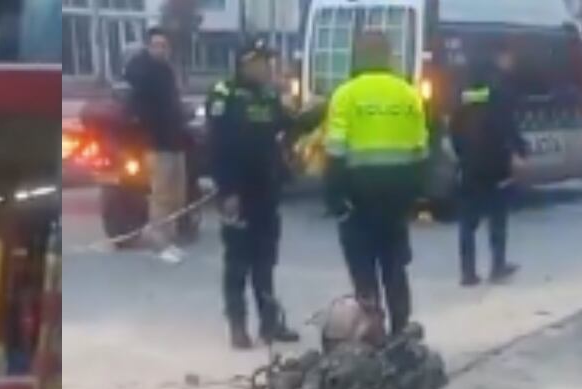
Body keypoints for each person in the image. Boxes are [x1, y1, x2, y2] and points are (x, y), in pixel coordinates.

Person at [206, 36, 320, 348]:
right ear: (246, 64)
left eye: (269, 63)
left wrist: (318, 112)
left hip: (266, 191)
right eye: (263, 63)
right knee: (237, 262)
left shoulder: (269, 96)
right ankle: (238, 326)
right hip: (237, 193)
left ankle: (270, 324)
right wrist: (226, 190)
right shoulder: (224, 95)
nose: (269, 68)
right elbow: (217, 147)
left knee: (265, 261)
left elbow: (289, 125)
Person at [324, 31, 429, 336]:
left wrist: (334, 198)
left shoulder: (346, 94)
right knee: (395, 268)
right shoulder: (409, 94)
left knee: (363, 271)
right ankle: (401, 329)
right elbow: (421, 152)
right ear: (388, 56)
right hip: (396, 199)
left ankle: (372, 332)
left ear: (358, 56)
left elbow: (336, 152)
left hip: (358, 199)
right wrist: (415, 196)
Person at [450, 46, 528, 286]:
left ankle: (468, 272)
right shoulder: (499, 93)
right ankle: (497, 266)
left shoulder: (463, 95)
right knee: (497, 217)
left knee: (467, 222)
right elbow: (507, 126)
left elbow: (454, 128)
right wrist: (521, 150)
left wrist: (462, 154)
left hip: (469, 165)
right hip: (496, 165)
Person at [125, 27, 188, 246]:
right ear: (148, 47)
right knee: (161, 193)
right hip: (156, 142)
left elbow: (173, 102)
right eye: (156, 45)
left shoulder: (167, 71)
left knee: (177, 193)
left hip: (175, 140)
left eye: (164, 46)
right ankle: (158, 235)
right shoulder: (143, 70)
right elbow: (134, 80)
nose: (161, 50)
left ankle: (169, 231)